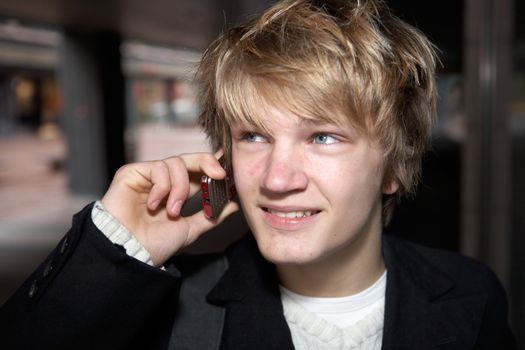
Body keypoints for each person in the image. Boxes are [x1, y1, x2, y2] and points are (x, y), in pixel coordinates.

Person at [0, 0, 516, 349]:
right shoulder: (173, 311)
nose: (275, 177)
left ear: (391, 168)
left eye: (322, 137)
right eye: (254, 136)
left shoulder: (469, 296)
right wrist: (113, 248)